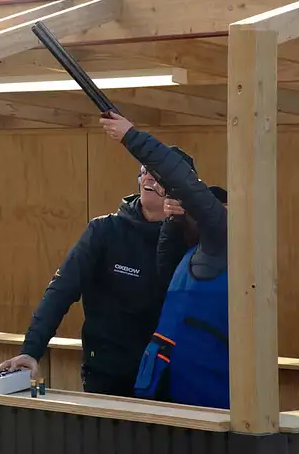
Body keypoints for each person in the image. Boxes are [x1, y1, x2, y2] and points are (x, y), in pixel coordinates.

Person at [0, 135, 186, 396]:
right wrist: (31, 350)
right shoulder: (104, 231)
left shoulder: (193, 240)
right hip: (108, 374)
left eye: (159, 173)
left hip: (171, 375)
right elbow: (60, 291)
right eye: (145, 170)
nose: (149, 178)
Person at [100, 111, 229, 408]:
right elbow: (164, 270)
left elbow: (185, 184)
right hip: (168, 389)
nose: (215, 209)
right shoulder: (191, 255)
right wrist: (173, 221)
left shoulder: (221, 240)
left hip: (200, 399)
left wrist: (131, 137)